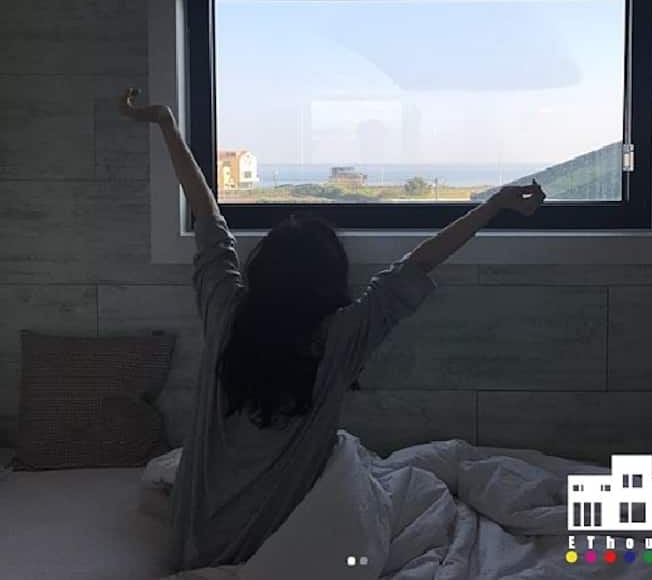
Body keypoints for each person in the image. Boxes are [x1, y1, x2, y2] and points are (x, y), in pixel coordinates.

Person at [119, 88, 546, 572]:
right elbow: (419, 262)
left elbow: (207, 216)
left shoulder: (226, 314)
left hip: (198, 542)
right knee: (350, 456)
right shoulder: (341, 336)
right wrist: (494, 205)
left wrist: (166, 123)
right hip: (274, 541)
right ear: (330, 278)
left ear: (263, 270)